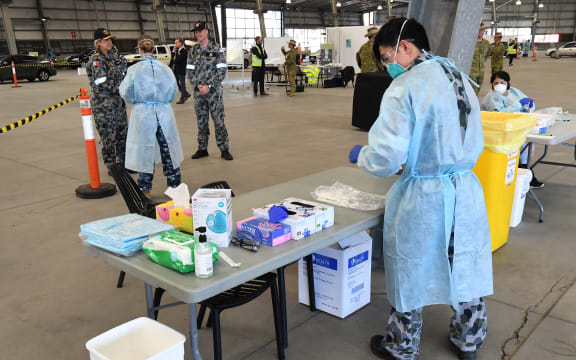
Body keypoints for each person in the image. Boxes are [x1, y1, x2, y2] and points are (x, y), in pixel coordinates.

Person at [349, 18, 493, 360]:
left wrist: (365, 156)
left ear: (406, 47)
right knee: (465, 265)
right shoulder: (458, 75)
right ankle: (468, 339)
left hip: (426, 194)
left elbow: (387, 156)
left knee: (410, 268)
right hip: (465, 188)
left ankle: (401, 346)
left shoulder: (407, 86)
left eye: (387, 58)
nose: (388, 67)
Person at [119, 36, 183, 194]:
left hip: (143, 114)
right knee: (168, 147)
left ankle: (144, 186)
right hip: (164, 112)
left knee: (144, 148)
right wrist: (162, 100)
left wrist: (138, 101)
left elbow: (126, 92)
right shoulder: (165, 68)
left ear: (139, 50)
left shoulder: (134, 70)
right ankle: (175, 185)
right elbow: (174, 91)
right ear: (153, 50)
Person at [481, 71, 543, 188]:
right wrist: (518, 105)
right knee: (521, 145)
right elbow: (500, 115)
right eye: (496, 83)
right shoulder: (492, 97)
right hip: (498, 131)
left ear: (508, 83)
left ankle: (524, 169)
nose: (499, 85)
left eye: (502, 82)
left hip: (515, 127)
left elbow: (526, 102)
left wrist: (529, 105)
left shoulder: (514, 91)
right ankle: (523, 170)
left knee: (527, 143)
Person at [187, 22, 233, 161]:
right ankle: (202, 149)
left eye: (200, 31)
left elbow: (222, 70)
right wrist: (198, 85)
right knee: (201, 121)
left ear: (206, 32)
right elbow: (189, 71)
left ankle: (224, 149)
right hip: (198, 93)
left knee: (219, 121)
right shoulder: (193, 50)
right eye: (196, 32)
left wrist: (209, 86)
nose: (198, 34)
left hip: (213, 93)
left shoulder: (216, 49)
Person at [86, 28, 129, 171]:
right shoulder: (97, 60)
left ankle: (124, 163)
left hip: (117, 102)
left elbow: (122, 73)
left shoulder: (113, 57)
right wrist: (122, 88)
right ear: (98, 43)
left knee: (122, 133)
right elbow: (102, 82)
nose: (110, 42)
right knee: (108, 136)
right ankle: (112, 166)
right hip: (103, 105)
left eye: (110, 39)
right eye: (106, 40)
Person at [469, 22, 491, 95]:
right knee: (473, 92)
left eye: (482, 30)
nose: (481, 32)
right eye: (479, 30)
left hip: (481, 71)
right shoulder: (470, 42)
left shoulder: (486, 43)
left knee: (477, 91)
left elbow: (487, 55)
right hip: (471, 72)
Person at [169, 38, 190, 104]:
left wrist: (175, 59)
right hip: (176, 70)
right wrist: (173, 52)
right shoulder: (177, 51)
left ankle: (182, 98)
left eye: (176, 42)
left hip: (181, 70)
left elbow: (178, 60)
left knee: (182, 84)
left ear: (181, 43)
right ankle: (186, 94)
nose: (175, 44)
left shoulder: (184, 51)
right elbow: (172, 60)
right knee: (177, 84)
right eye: (175, 42)